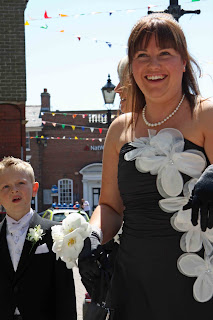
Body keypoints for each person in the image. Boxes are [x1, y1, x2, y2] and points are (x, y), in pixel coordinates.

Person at [78, 13, 213, 320]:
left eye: (164, 54)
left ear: (184, 62)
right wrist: (93, 236)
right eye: (142, 56)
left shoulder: (205, 114)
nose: (153, 65)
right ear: (132, 65)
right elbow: (111, 206)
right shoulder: (120, 128)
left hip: (198, 276)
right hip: (133, 280)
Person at [0, 157, 77, 320]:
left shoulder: (55, 233)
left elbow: (65, 292)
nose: (14, 190)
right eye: (5, 186)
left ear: (34, 188)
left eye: (20, 183)